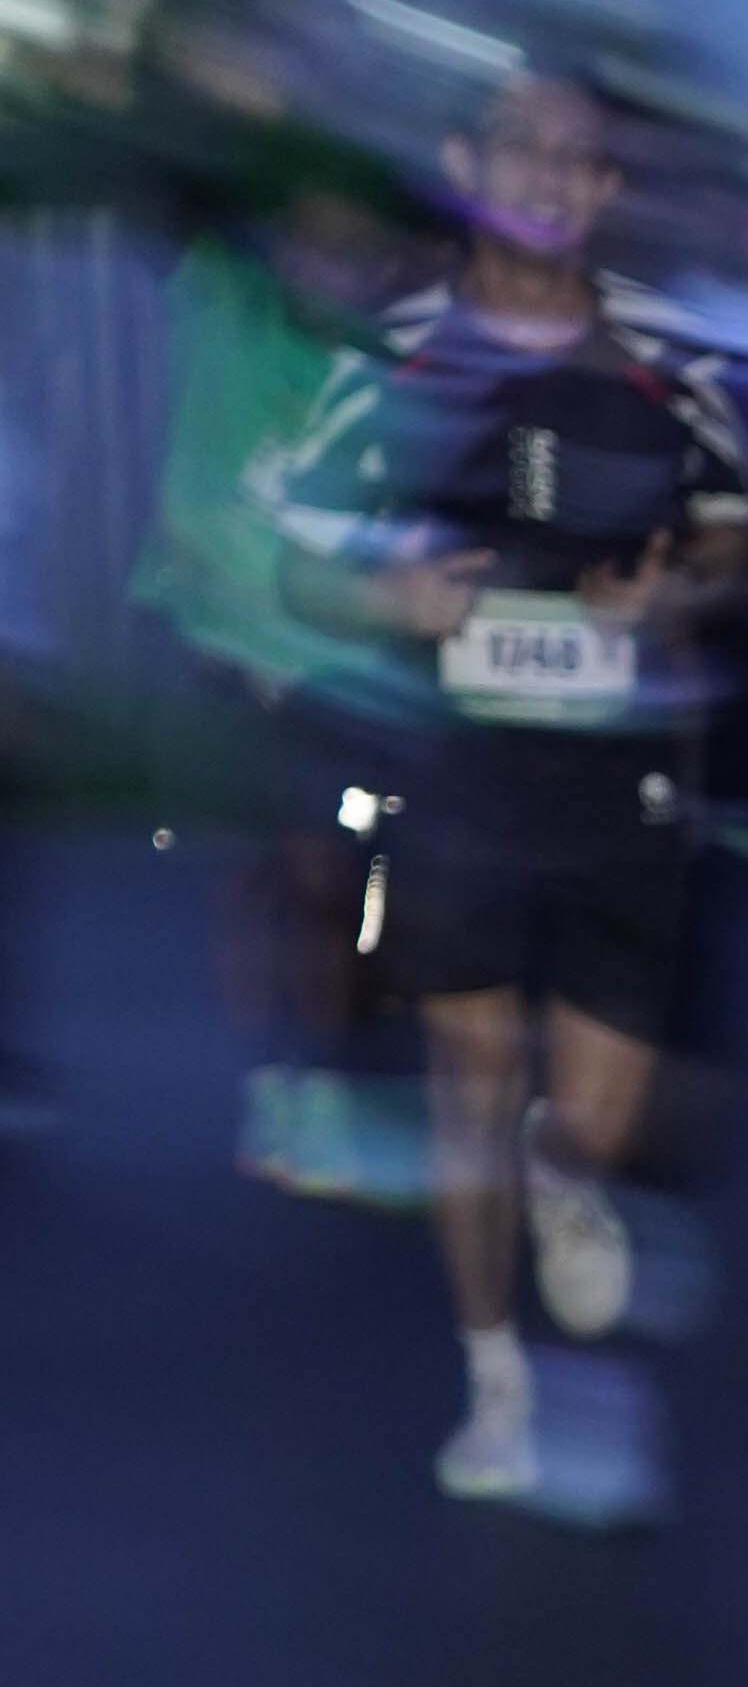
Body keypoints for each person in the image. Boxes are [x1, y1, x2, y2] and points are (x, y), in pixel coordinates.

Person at [268, 63, 748, 1516]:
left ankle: (567, 1173)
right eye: (521, 149)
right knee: (472, 1078)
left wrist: (674, 593)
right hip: (458, 778)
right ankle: (495, 1383)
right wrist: (388, 595)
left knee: (595, 1115)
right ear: (468, 166)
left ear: (604, 190)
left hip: (625, 780)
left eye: (577, 158)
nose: (549, 176)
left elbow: (729, 539)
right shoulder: (393, 359)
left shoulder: (673, 361)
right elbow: (299, 558)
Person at [132, 171, 435, 1206]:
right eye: (316, 243)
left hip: (346, 662)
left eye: (358, 250)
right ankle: (306, 1081)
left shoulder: (377, 361)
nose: (337, 267)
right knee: (318, 864)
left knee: (347, 869)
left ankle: (332, 1066)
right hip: (247, 647)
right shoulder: (231, 303)